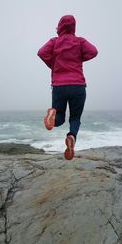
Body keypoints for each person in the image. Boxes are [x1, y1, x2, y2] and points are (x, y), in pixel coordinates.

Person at [37, 15, 98, 160]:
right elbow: (94, 51)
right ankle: (71, 136)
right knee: (75, 117)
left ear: (59, 26)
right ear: (74, 27)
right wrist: (80, 57)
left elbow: (41, 52)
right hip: (77, 86)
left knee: (60, 118)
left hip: (59, 86)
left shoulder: (54, 41)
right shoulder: (79, 41)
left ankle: (52, 115)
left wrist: (53, 64)